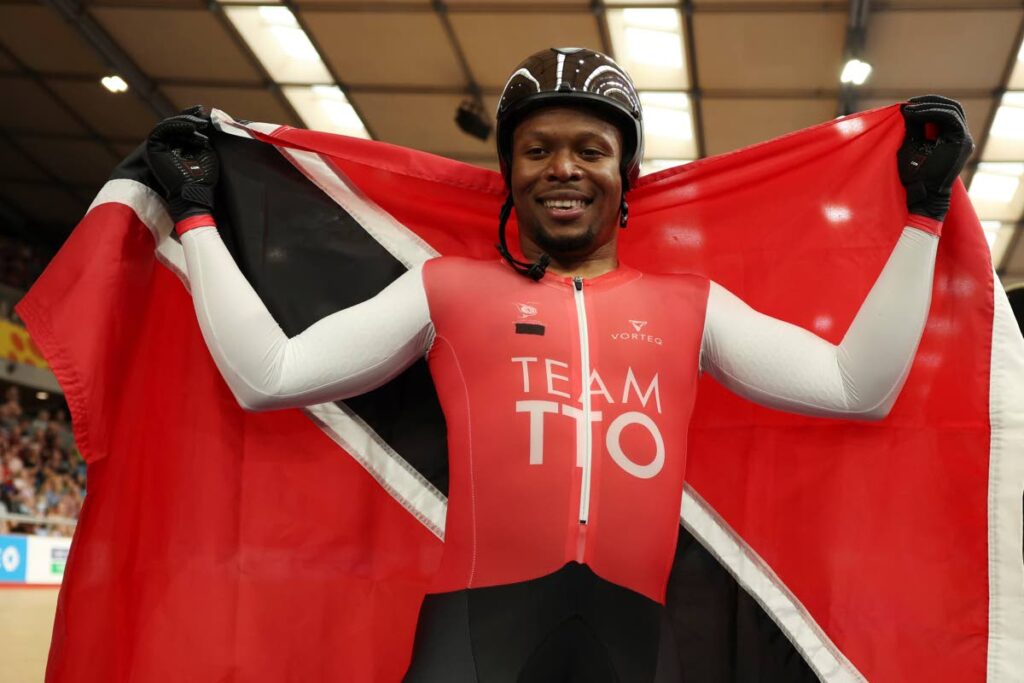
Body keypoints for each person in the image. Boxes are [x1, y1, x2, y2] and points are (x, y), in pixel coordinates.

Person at [145, 48, 972, 682]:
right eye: (537, 149)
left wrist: (922, 218)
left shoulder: (692, 304)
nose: (564, 168)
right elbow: (272, 375)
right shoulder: (444, 288)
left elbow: (855, 385)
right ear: (509, 171)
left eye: (590, 149)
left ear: (628, 175)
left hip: (633, 641)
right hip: (475, 636)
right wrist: (195, 218)